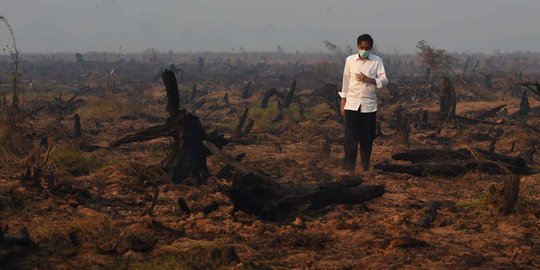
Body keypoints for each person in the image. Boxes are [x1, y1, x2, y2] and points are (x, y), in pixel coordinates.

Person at [339, 34, 388, 173]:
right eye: (362, 47)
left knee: (367, 137)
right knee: (350, 137)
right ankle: (348, 167)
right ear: (357, 46)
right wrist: (343, 101)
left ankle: (365, 166)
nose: (364, 50)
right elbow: (346, 81)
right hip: (352, 104)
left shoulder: (377, 61)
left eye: (367, 48)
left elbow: (384, 80)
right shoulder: (350, 60)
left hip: (369, 105)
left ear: (371, 48)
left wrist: (370, 79)